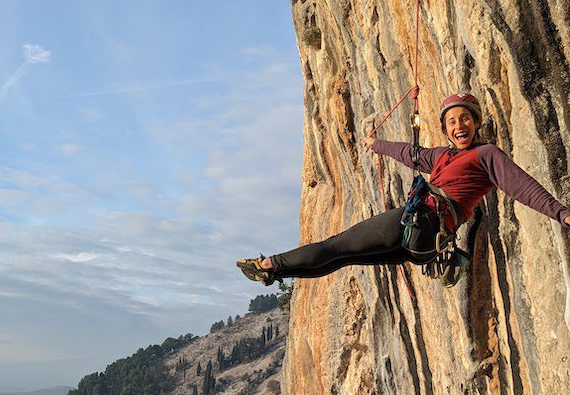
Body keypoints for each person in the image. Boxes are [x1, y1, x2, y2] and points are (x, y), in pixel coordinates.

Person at [237, 92, 570, 285]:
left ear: (476, 121)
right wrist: (376, 144)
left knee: (336, 245)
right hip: (424, 245)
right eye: (452, 121)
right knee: (343, 258)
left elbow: (521, 186)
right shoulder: (441, 155)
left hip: (422, 221)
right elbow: (409, 154)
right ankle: (276, 274)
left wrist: (561, 213)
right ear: (445, 128)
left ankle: (269, 264)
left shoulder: (487, 155)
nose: (459, 126)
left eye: (465, 119)